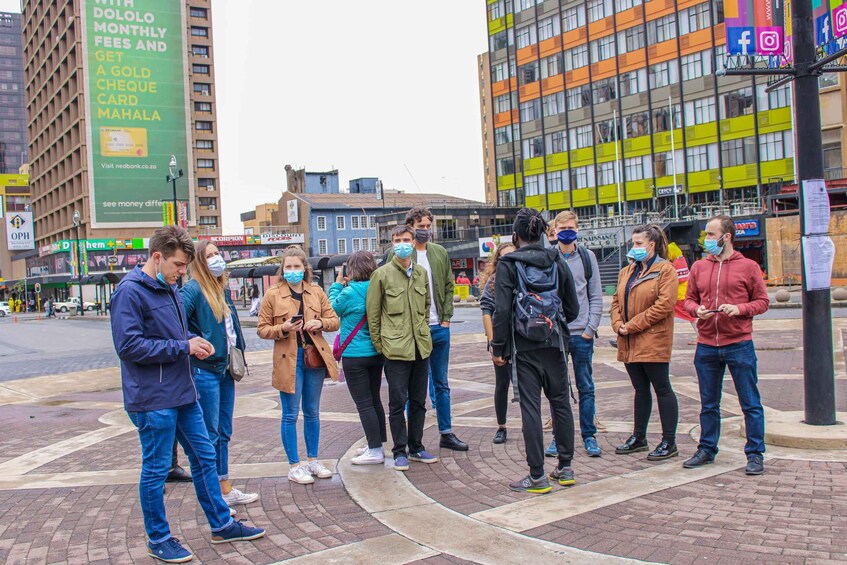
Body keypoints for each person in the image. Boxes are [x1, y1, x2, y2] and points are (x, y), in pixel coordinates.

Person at [110, 226, 264, 563]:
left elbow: (178, 333)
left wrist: (193, 345)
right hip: (152, 398)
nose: (183, 271)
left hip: (182, 392)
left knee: (205, 456)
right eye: (179, 265)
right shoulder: (130, 292)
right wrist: (184, 346)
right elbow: (128, 345)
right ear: (157, 257)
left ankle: (222, 523)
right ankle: (159, 538)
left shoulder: (169, 287)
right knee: (156, 468)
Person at [491, 208, 580, 494]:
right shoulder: (556, 260)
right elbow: (574, 308)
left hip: (523, 346)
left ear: (515, 236)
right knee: (561, 403)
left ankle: (537, 475)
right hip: (555, 343)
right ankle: (565, 467)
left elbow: (502, 311)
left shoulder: (508, 264)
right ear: (543, 233)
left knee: (531, 408)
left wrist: (499, 347)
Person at [682, 216, 769, 475]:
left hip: (739, 344)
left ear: (726, 236)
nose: (706, 240)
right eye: (706, 235)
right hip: (706, 344)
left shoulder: (749, 267)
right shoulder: (699, 267)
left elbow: (762, 301)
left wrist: (740, 309)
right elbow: (688, 301)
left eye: (710, 234)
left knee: (750, 402)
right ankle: (707, 448)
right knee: (709, 403)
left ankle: (755, 453)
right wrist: (697, 310)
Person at [180, 240, 258, 509]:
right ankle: (215, 492)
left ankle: (224, 486)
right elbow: (175, 323)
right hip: (205, 371)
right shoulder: (192, 290)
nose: (217, 259)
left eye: (217, 253)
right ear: (199, 262)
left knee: (224, 431)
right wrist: (194, 341)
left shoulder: (220, 289)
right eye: (210, 255)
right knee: (210, 433)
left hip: (224, 370)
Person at [257, 246, 340, 485]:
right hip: (288, 359)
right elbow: (262, 329)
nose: (293, 271)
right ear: (282, 269)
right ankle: (294, 464)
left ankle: (313, 459)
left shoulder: (315, 291)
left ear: (305, 268)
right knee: (290, 414)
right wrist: (283, 328)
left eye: (297, 266)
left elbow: (334, 321)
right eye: (288, 267)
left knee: (312, 411)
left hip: (313, 356)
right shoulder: (273, 294)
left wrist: (319, 322)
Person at [388, 206, 468, 451]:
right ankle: (409, 439)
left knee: (441, 383)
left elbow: (447, 285)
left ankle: (446, 432)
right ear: (409, 226)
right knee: (411, 387)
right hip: (412, 332)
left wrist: (445, 319)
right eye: (420, 226)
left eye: (427, 226)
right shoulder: (399, 256)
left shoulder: (439, 252)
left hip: (438, 327)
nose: (425, 231)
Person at [367, 225, 438, 471]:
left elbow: (426, 306)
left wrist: (425, 335)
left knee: (419, 400)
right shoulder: (382, 274)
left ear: (413, 240)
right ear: (392, 244)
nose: (402, 244)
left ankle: (416, 446)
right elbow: (373, 315)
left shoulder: (420, 273)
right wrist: (381, 346)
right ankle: (400, 450)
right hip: (395, 349)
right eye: (397, 240)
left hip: (420, 347)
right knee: (398, 402)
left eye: (406, 239)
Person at [610, 225, 680, 461]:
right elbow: (615, 302)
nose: (634, 248)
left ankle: (669, 441)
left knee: (662, 388)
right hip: (629, 340)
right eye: (633, 243)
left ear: (652, 245)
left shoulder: (665, 270)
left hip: (652, 339)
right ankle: (639, 437)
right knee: (640, 390)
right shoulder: (627, 271)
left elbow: (664, 305)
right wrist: (618, 324)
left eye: (639, 244)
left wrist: (631, 325)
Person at [545, 211, 604, 458]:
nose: (567, 231)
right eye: (562, 228)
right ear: (554, 230)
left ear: (577, 229)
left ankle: (588, 434)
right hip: (556, 333)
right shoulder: (548, 257)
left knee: (585, 385)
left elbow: (595, 296)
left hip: (581, 334)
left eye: (571, 227)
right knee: (557, 388)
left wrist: (590, 329)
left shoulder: (587, 257)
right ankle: (558, 437)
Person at [328, 251, 386, 465]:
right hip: (376, 352)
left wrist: (336, 285)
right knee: (375, 399)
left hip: (355, 354)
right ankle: (377, 441)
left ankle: (374, 450)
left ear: (350, 270)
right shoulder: (377, 288)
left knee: (363, 403)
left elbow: (332, 308)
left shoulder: (349, 292)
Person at [479, 242, 518, 444]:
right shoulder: (493, 282)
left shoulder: (526, 277)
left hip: (523, 341)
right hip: (502, 341)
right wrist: (493, 343)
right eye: (503, 258)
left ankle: (531, 423)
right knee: (502, 384)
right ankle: (501, 426)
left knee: (528, 386)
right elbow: (486, 309)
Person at [668, 242, 698, 345]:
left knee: (691, 317)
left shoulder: (678, 262)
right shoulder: (679, 260)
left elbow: (679, 279)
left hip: (680, 295)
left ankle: (701, 336)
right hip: (680, 294)